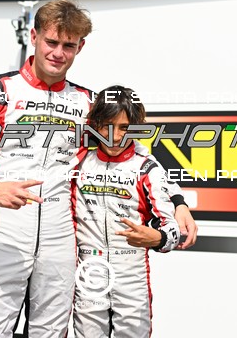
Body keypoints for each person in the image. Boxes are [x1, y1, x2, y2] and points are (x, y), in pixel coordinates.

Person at [0, 0, 197, 338]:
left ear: (80, 47)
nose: (58, 53)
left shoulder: (88, 102)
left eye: (68, 45)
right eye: (51, 42)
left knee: (51, 331)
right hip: (4, 228)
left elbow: (137, 154)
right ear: (34, 37)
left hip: (61, 234)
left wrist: (178, 203)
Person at [71, 86, 186, 338]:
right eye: (107, 126)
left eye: (124, 128)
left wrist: (159, 238)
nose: (114, 136)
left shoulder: (147, 169)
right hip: (89, 271)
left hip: (132, 274)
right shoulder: (78, 164)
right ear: (95, 125)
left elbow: (173, 229)